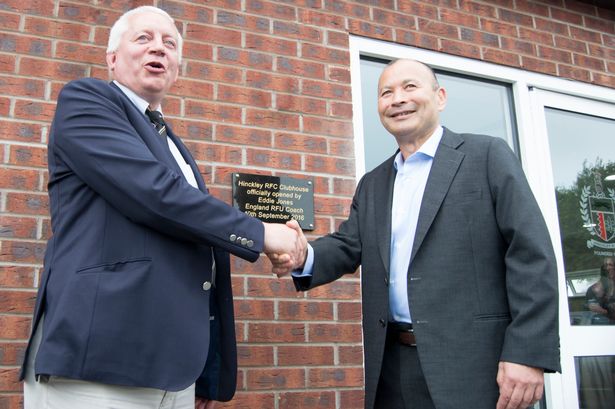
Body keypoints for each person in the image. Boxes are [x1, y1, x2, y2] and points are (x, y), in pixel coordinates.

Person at [20, 6, 302, 409]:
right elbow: (156, 195)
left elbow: (193, 250)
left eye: (170, 43)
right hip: (98, 366)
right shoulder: (86, 99)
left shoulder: (171, 142)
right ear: (112, 58)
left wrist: (206, 375)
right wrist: (263, 234)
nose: (159, 48)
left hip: (173, 376)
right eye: (143, 38)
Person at [272, 59, 560, 409]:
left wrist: (527, 352)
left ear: (439, 97)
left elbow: (531, 254)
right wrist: (304, 255)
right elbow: (349, 245)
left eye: (410, 87)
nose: (397, 99)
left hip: (474, 367)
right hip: (393, 368)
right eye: (386, 93)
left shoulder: (486, 156)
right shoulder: (373, 184)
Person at [586, 257, 615, 324]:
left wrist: (604, 311)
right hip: (600, 327)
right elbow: (587, 315)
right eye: (605, 266)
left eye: (611, 265)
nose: (608, 268)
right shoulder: (592, 290)